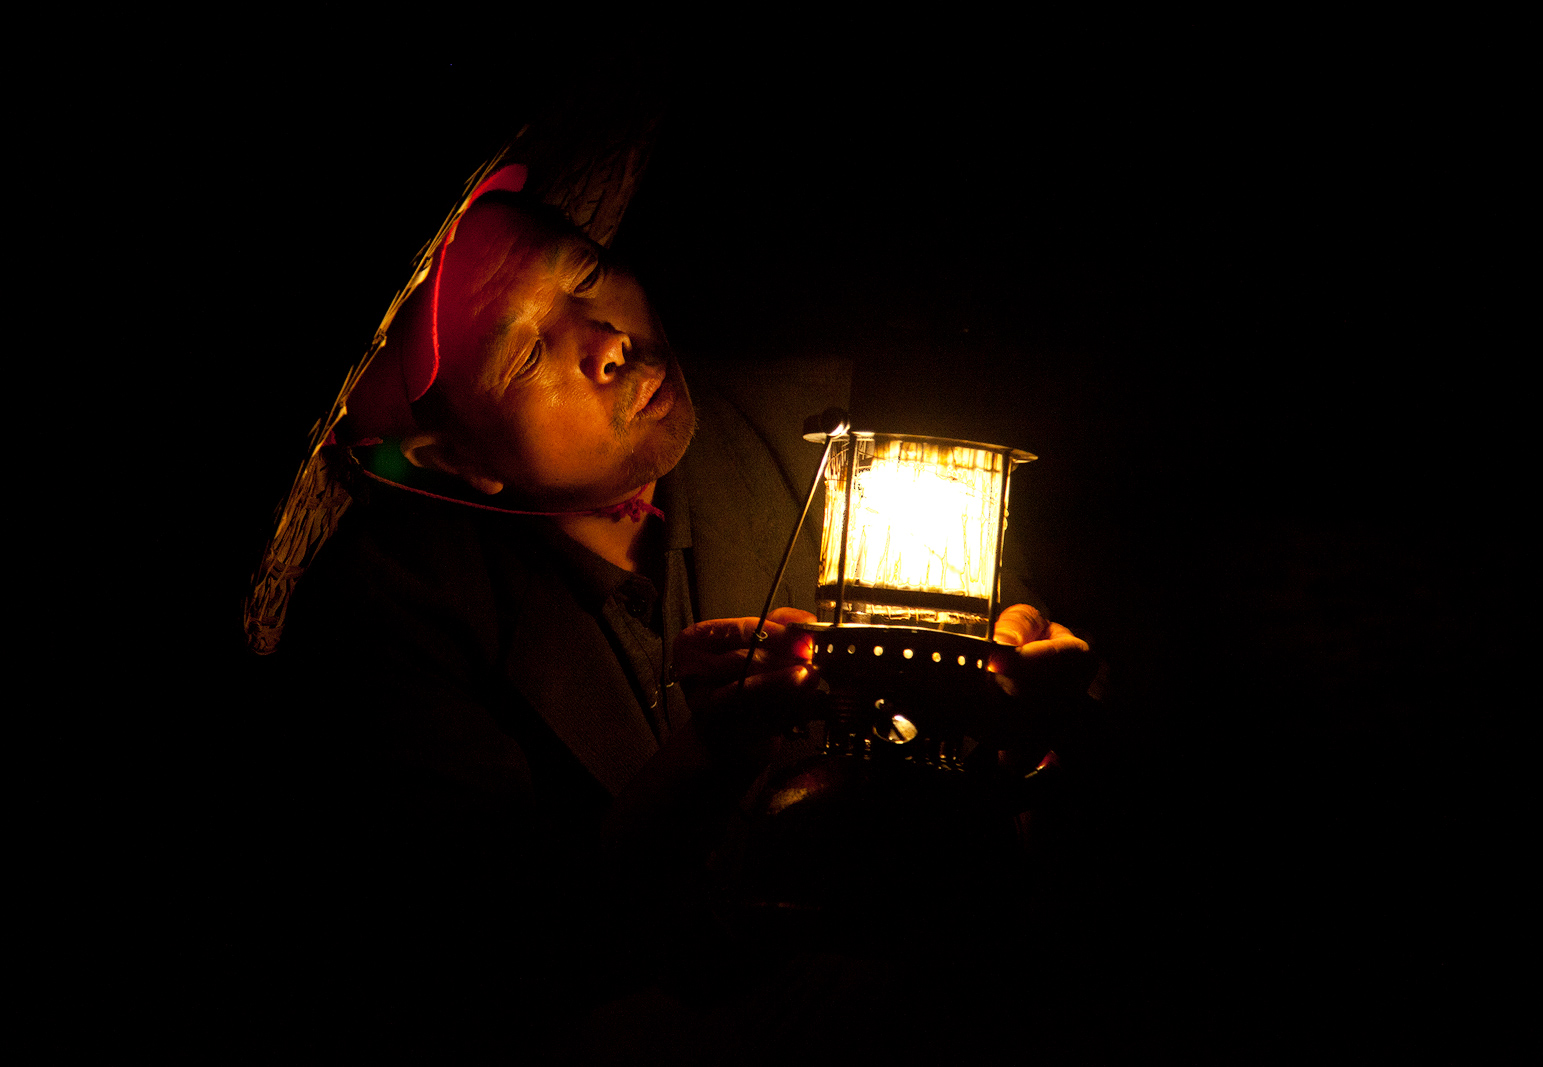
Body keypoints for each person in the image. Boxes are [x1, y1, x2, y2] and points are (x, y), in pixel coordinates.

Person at [273, 180, 1096, 1060]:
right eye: (525, 356)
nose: (609, 341)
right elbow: (501, 958)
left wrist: (1037, 715)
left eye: (586, 274)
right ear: (459, 458)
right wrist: (708, 756)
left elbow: (1058, 694)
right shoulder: (401, 611)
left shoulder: (842, 433)